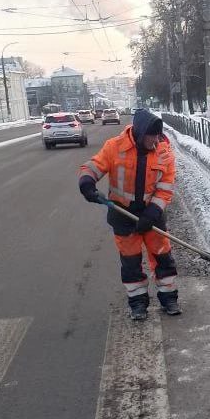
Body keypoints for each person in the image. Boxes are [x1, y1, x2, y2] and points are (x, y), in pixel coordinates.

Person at [78, 109, 182, 321]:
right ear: (140, 132)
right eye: (150, 136)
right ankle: (138, 303)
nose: (154, 140)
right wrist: (87, 182)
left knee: (162, 257)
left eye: (156, 136)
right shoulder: (114, 147)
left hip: (152, 215)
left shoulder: (164, 152)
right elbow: (94, 166)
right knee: (131, 262)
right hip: (123, 214)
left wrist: (152, 212)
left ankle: (169, 298)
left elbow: (166, 187)